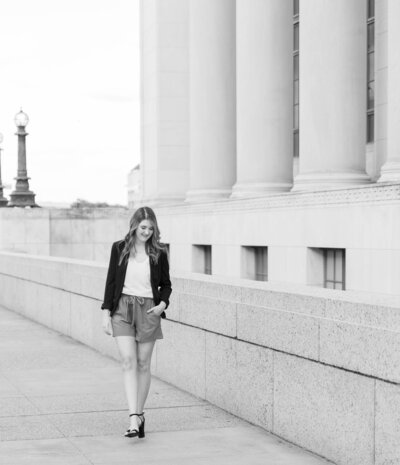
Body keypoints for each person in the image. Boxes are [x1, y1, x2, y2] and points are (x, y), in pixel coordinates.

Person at [101, 206, 172, 438]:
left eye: (151, 229)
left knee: (143, 364)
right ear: (134, 225)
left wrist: (163, 304)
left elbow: (166, 284)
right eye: (143, 227)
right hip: (122, 308)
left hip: (149, 309)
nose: (147, 232)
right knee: (128, 361)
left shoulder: (159, 252)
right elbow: (111, 281)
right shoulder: (119, 248)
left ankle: (140, 414)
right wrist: (106, 312)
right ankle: (133, 417)